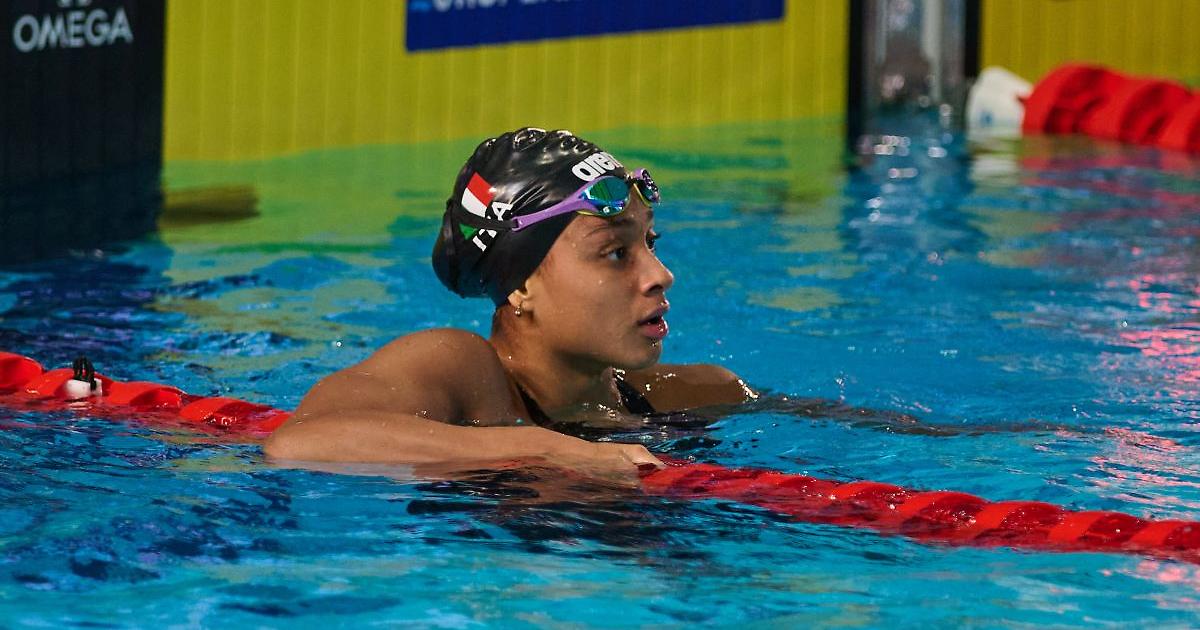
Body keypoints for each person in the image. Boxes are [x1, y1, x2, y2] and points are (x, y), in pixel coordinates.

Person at [263, 128, 754, 480]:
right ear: (520, 284)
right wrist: (545, 449)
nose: (660, 275)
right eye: (615, 253)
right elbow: (302, 441)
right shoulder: (466, 371)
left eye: (650, 242)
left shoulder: (693, 396)